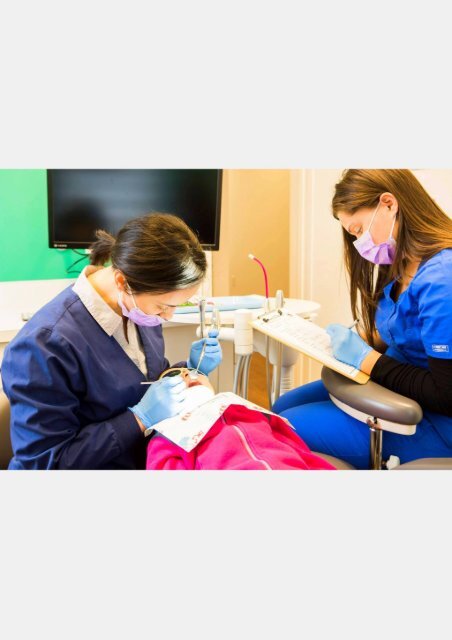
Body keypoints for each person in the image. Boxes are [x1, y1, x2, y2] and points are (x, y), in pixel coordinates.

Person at [1, 213, 222, 470]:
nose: (168, 316)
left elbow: (141, 379)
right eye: (163, 306)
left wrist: (189, 370)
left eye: (176, 305)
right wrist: (138, 419)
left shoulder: (136, 306)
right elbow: (45, 464)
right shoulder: (43, 346)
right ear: (122, 281)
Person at [273, 169, 452, 469]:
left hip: (434, 420)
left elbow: (446, 394)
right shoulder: (404, 261)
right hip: (398, 388)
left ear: (389, 204)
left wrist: (366, 358)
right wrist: (360, 340)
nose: (358, 243)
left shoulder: (443, 278)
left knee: (282, 426)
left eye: (358, 230)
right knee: (282, 406)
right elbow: (409, 329)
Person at [145, 367, 337, 470]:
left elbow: (292, 446)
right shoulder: (171, 433)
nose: (186, 375)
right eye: (174, 379)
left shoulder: (241, 407)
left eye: (191, 371)